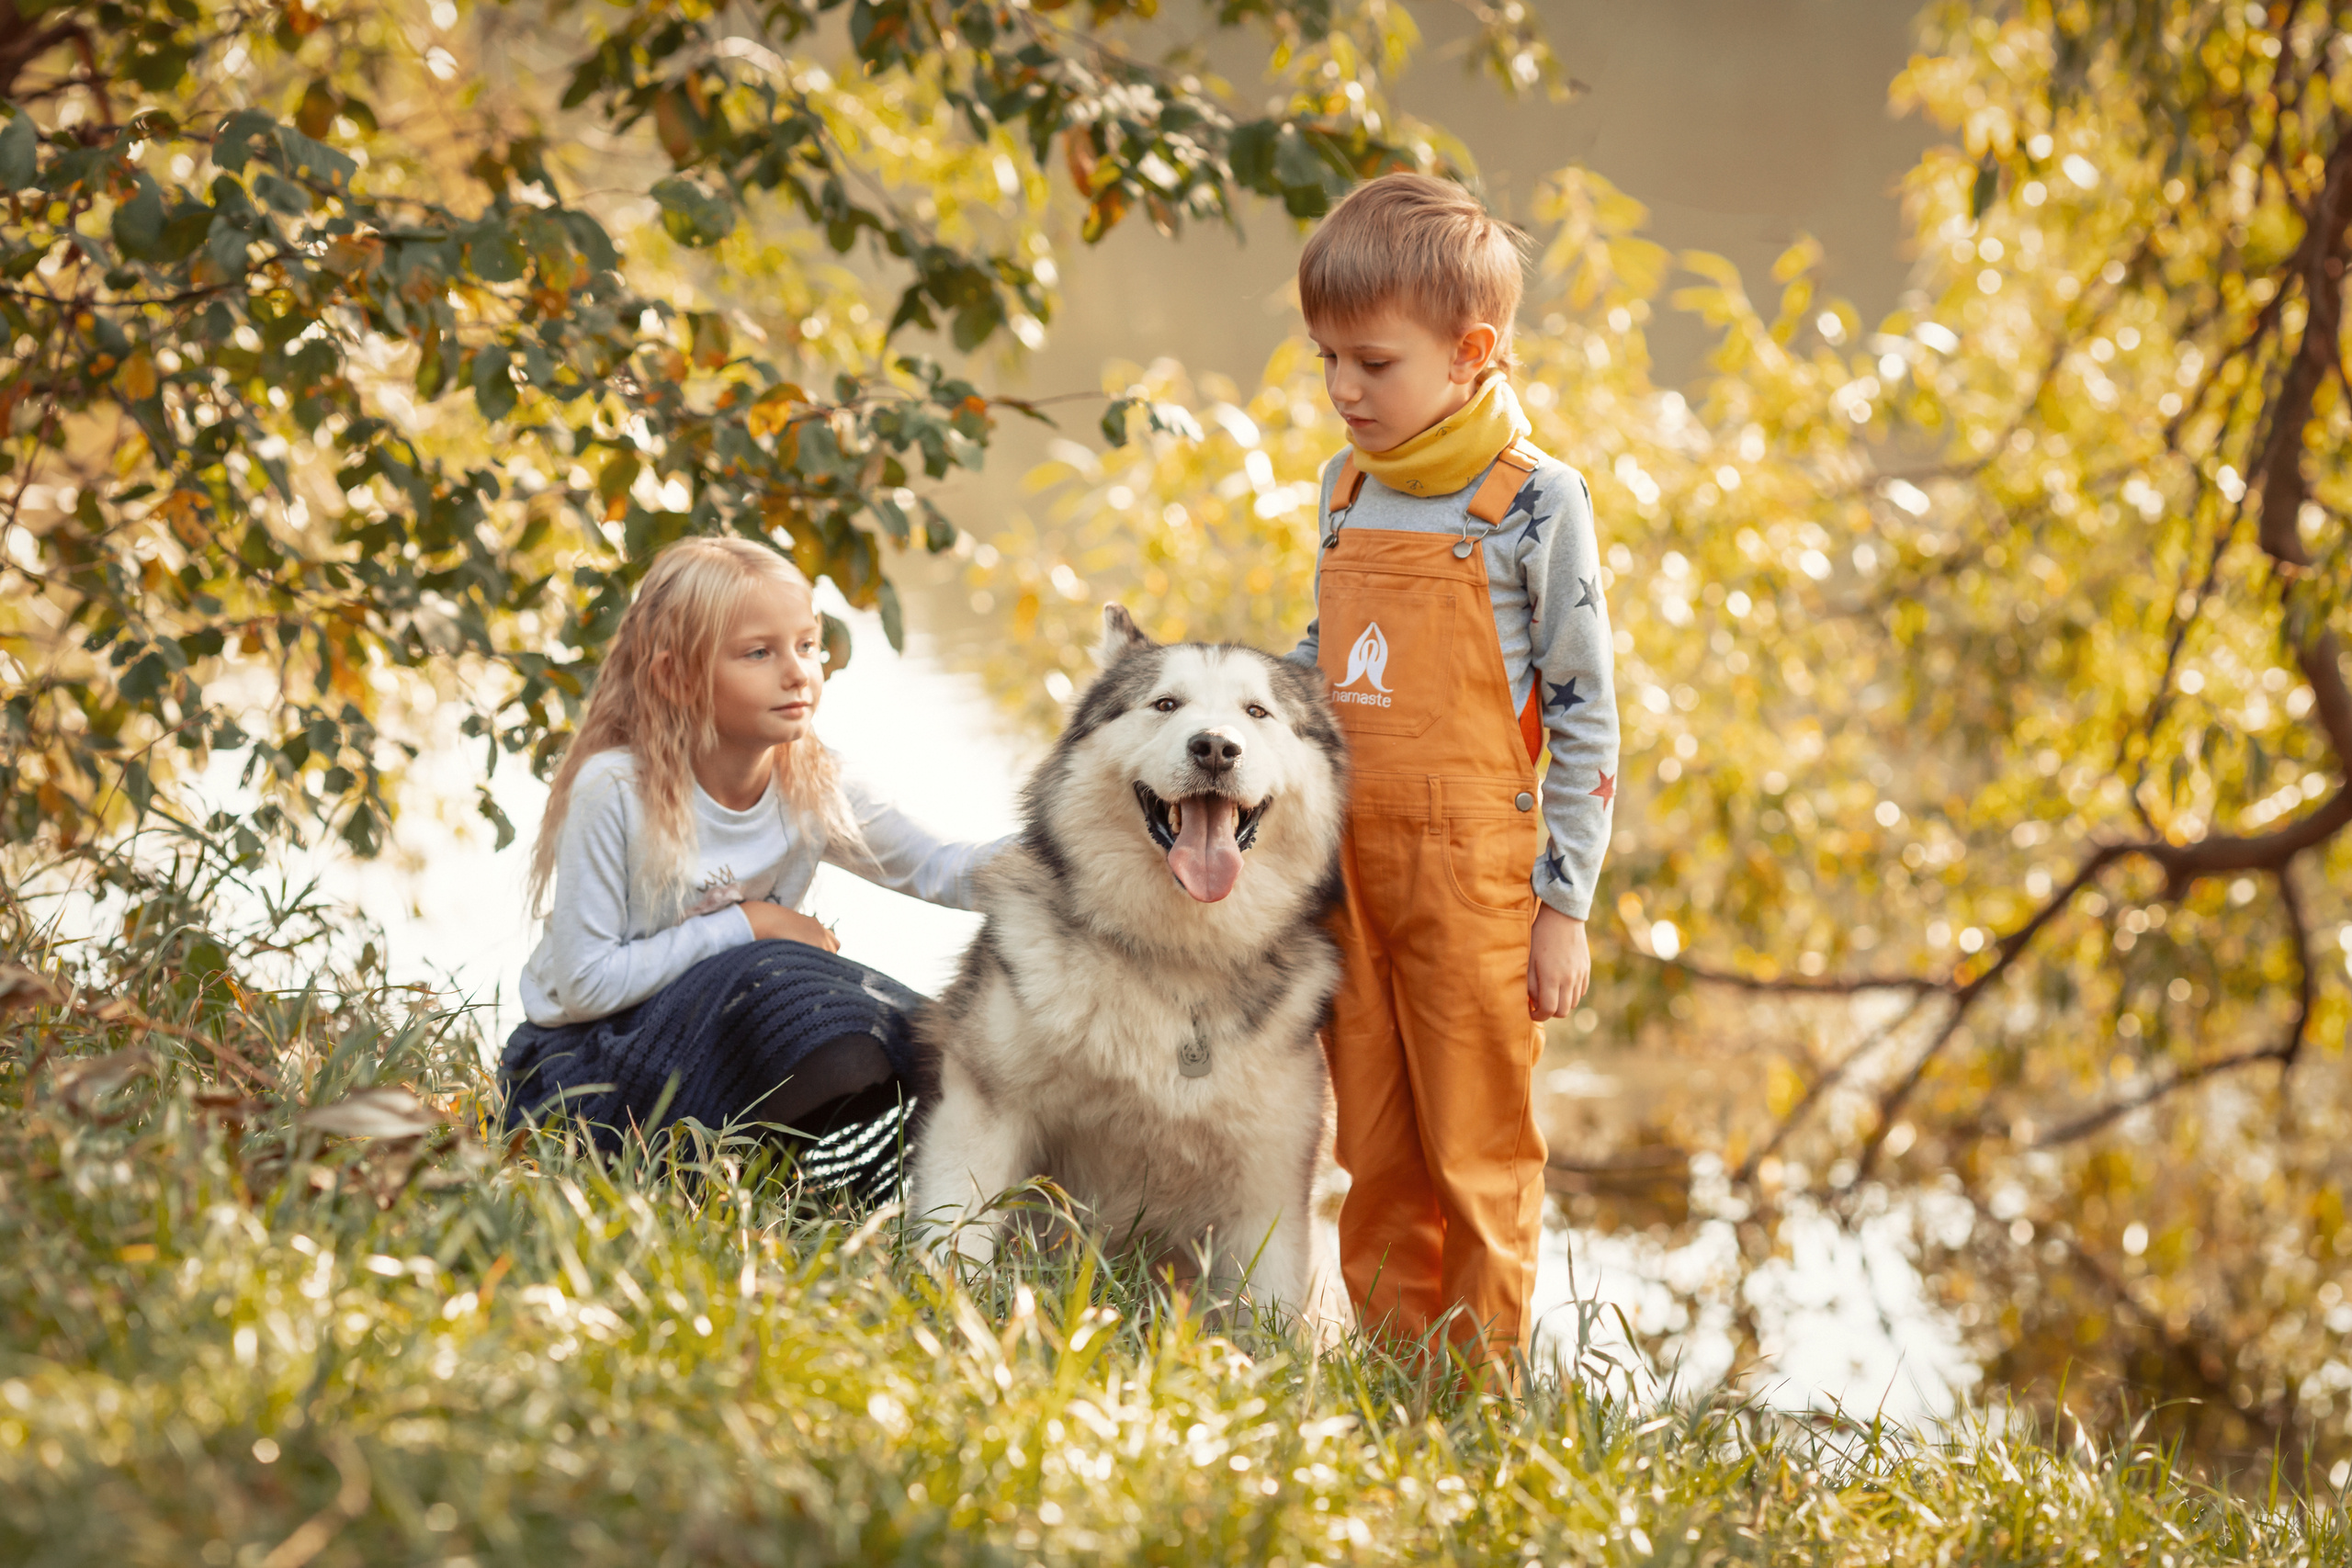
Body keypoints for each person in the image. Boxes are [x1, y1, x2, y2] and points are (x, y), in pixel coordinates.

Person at [1288, 172, 1621, 1365]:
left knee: (1477, 1150)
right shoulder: (1345, 487)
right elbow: (1321, 661)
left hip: (1477, 883)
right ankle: (1395, 1375)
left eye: (1372, 363)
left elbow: (1585, 716)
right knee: (1373, 1144)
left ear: (1472, 353)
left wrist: (1563, 907)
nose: (1343, 389)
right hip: (1350, 875)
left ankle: (1479, 1396)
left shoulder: (1535, 502)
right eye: (1328, 359)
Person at [499, 536, 1006, 1195]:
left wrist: (1079, 838)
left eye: (808, 645)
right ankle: (669, 1168)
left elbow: (945, 868)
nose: (798, 673)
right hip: (580, 1075)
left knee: (911, 1032)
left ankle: (758, 1181)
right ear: (675, 675)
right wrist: (750, 922)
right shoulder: (615, 789)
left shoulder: (814, 784)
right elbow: (585, 985)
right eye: (759, 653)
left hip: (705, 1053)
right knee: (777, 976)